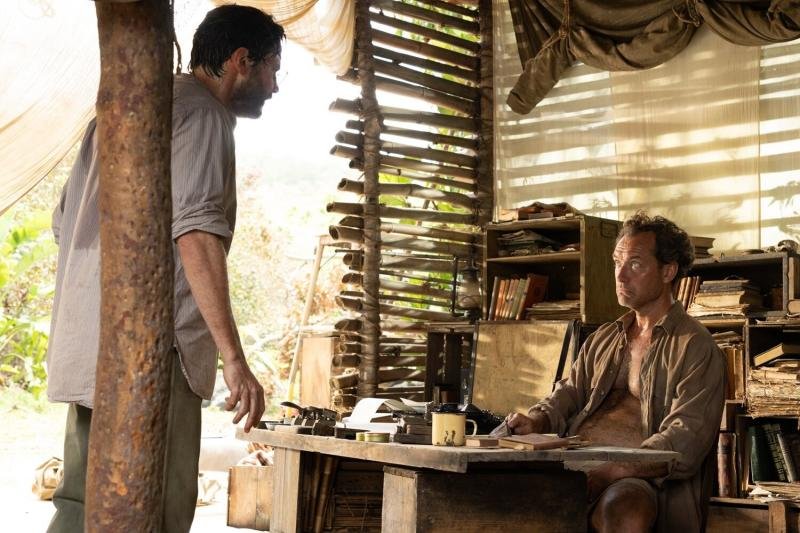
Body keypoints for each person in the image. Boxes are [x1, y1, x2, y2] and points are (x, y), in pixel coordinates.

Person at [46, 6, 285, 532]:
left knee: (81, 502)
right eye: (273, 68)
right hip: (155, 350)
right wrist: (233, 358)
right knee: (159, 508)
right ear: (241, 61)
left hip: (93, 344)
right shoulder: (204, 116)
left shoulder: (124, 109)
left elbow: (64, 224)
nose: (274, 86)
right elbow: (195, 234)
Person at [507, 211, 726, 533]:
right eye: (616, 263)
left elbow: (685, 437)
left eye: (635, 264)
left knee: (625, 508)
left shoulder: (696, 347)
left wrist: (616, 469)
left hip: (639, 478)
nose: (620, 276)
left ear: (668, 271)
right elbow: (569, 392)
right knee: (488, 489)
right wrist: (537, 420)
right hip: (573, 463)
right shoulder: (604, 338)